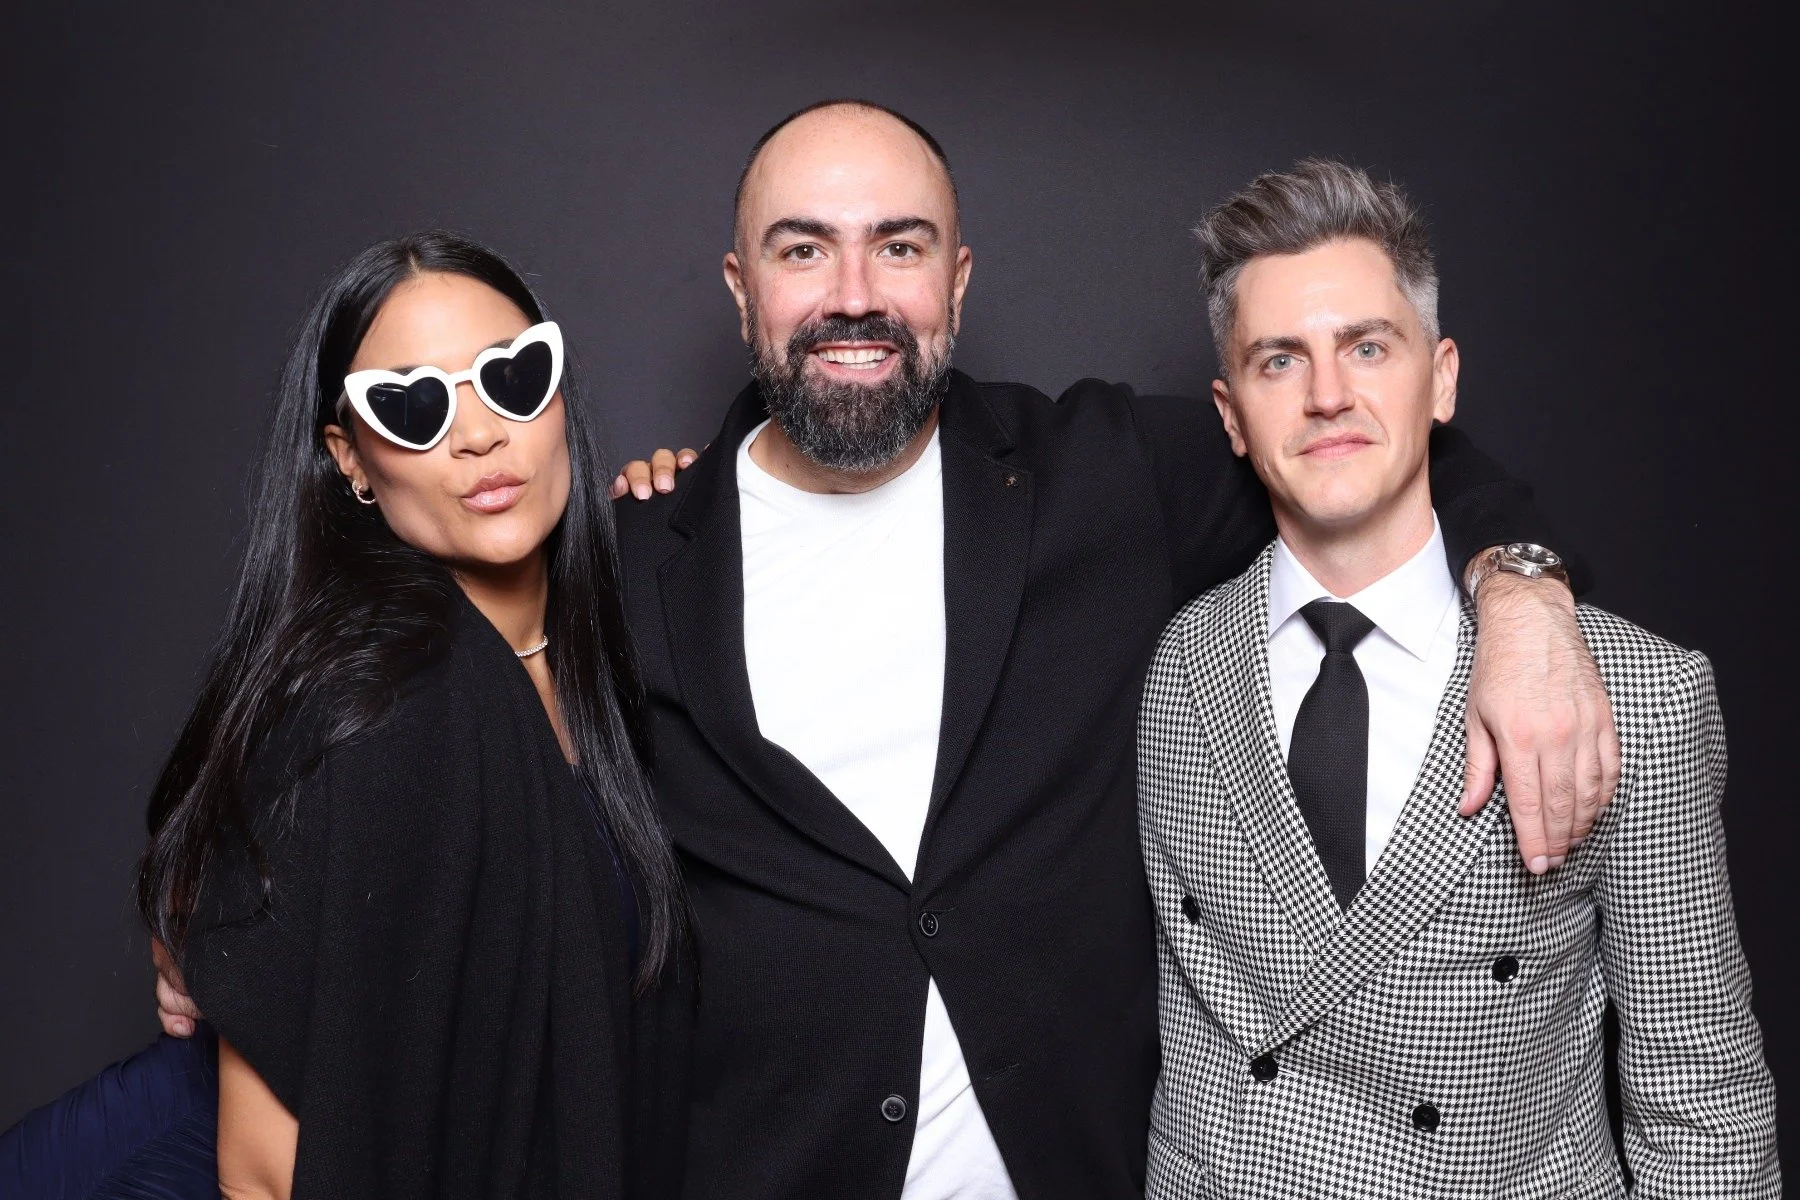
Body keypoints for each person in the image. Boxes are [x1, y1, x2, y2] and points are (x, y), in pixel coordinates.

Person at [567, 100, 1618, 1199]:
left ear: (957, 282)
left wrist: (1523, 599)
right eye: (803, 250)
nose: (855, 294)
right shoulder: (635, 558)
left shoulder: (1101, 475)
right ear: (742, 288)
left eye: (900, 246)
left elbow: (1371, 449)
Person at [1137, 159, 1778, 1197]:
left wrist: (1522, 591)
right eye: (1279, 361)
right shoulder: (1174, 664)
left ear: (1441, 379)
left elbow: (1700, 1096)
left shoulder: (1638, 696)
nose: (1328, 395)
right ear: (1231, 414)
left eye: (1367, 347)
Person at [6, 231, 690, 1199]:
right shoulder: (381, 697)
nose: (479, 435)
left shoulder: (618, 646)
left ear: (557, 397)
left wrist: (699, 503)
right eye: (412, 406)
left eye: (513, 377)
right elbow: (260, 1174)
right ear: (351, 460)